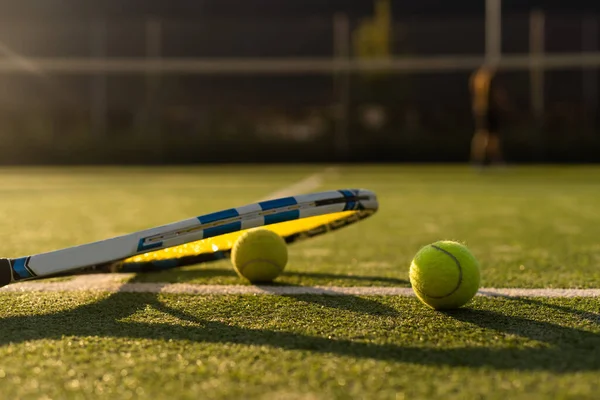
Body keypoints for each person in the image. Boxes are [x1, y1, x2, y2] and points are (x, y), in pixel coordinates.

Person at [469, 64, 509, 167]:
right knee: (485, 135)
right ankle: (482, 160)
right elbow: (491, 95)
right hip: (486, 110)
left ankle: (490, 160)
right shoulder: (484, 79)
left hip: (482, 109)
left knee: (490, 136)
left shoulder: (478, 78)